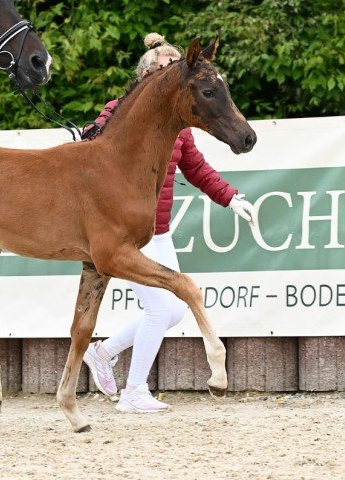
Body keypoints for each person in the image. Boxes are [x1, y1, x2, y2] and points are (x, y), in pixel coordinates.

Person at [81, 33, 257, 413]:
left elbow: (196, 169)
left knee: (175, 310)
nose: (171, 77)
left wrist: (231, 197)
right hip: (124, 231)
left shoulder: (180, 128)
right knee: (161, 309)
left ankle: (104, 352)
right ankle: (134, 392)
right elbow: (93, 143)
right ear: (146, 77)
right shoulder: (119, 109)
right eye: (164, 71)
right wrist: (92, 134)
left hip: (158, 229)